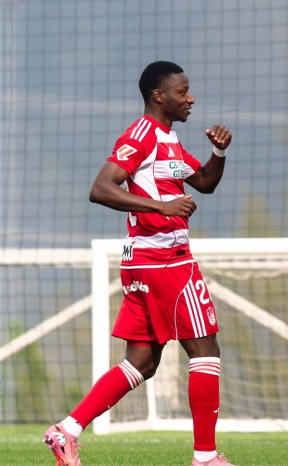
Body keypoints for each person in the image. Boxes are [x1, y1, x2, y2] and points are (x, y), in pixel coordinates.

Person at [43, 61, 236, 466]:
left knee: (142, 361)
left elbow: (204, 183)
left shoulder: (169, 138)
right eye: (183, 92)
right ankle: (205, 458)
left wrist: (219, 152)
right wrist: (160, 205)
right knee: (206, 351)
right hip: (164, 258)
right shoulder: (142, 135)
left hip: (145, 260)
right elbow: (100, 188)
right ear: (158, 96)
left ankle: (67, 431)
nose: (191, 98)